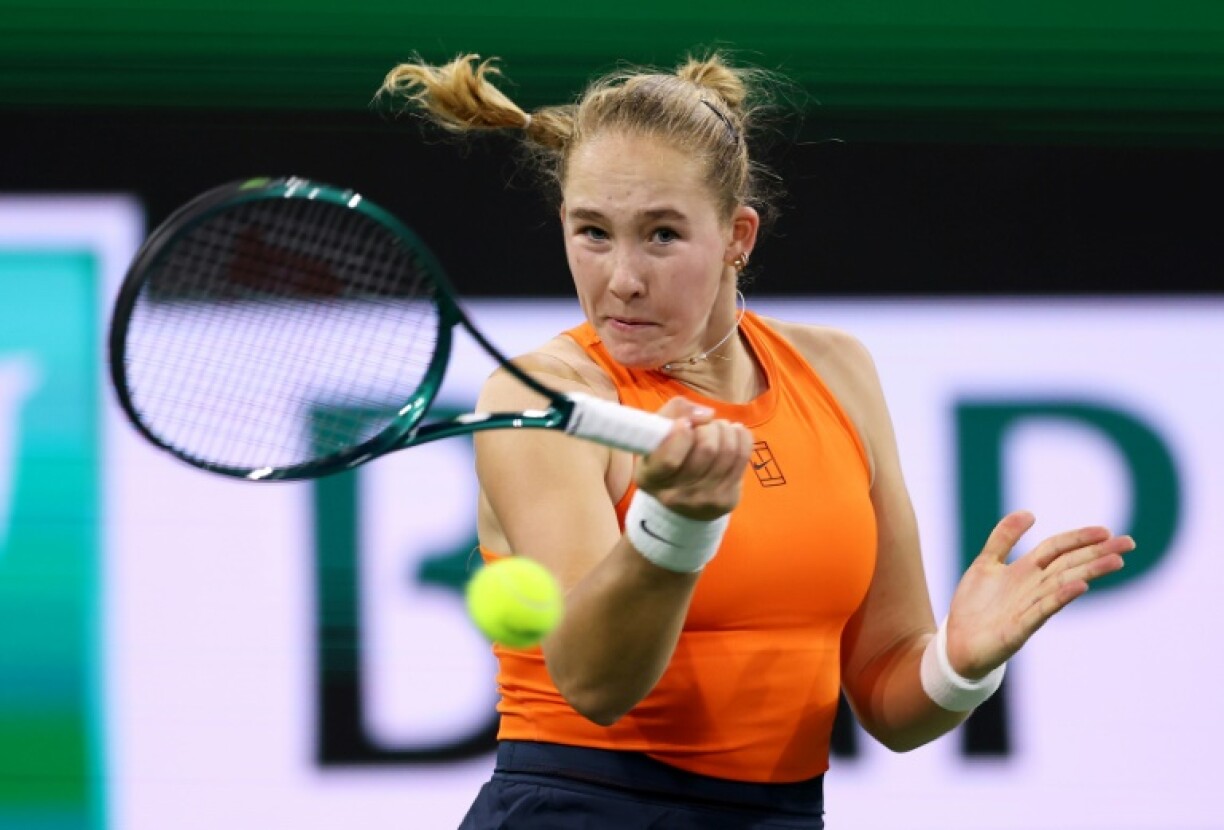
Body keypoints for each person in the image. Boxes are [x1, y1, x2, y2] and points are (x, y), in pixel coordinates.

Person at [378, 52, 1134, 829]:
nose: (623, 278)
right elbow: (595, 685)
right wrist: (676, 523)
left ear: (738, 235)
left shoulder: (839, 372)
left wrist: (961, 663)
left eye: (662, 235)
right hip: (580, 810)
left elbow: (887, 697)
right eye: (593, 232)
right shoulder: (547, 398)